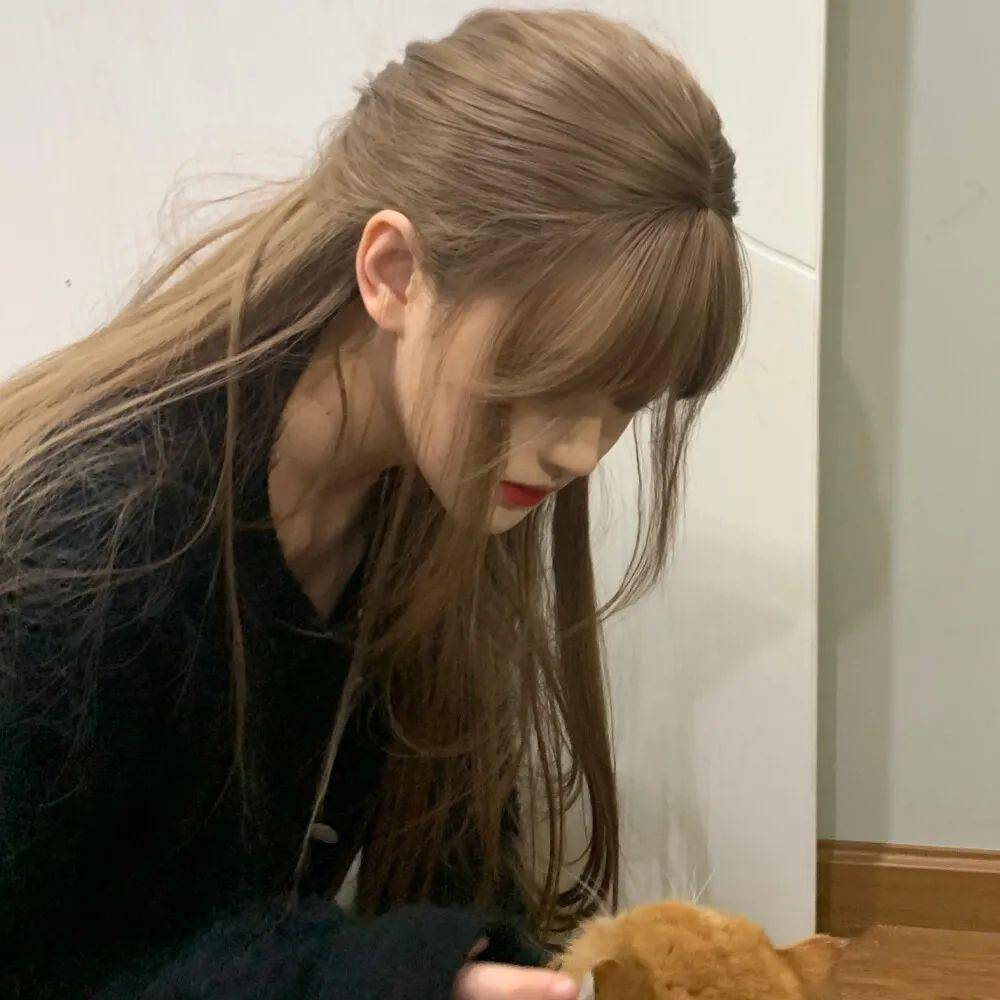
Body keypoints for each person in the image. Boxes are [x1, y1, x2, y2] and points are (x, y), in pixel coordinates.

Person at [0, 7, 745, 998]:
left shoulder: (425, 497)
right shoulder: (86, 555)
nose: (578, 448)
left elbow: (456, 873)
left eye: (624, 401)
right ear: (394, 273)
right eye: (550, 374)